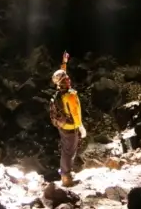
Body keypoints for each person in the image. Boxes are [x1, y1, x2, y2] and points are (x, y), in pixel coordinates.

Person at [50, 51, 86, 187]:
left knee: (66, 149)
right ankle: (66, 177)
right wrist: (81, 127)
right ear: (63, 82)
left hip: (62, 126)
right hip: (71, 127)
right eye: (66, 79)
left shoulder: (59, 92)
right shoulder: (70, 95)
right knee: (69, 152)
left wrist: (64, 62)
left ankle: (64, 172)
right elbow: (75, 113)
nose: (68, 79)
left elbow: (61, 74)